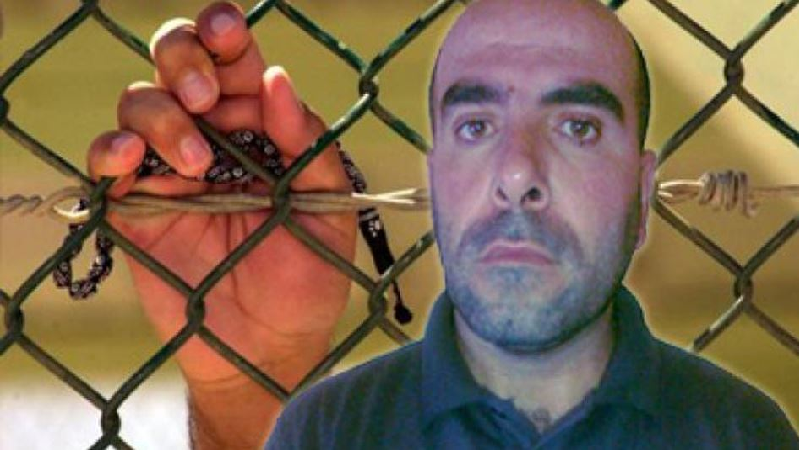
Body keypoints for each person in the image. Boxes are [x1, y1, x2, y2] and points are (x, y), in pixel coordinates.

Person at [87, 0, 798, 448]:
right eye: (476, 125)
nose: (517, 173)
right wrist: (251, 385)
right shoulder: (334, 429)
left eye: (578, 127)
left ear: (642, 196)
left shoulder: (742, 432)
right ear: (433, 183)